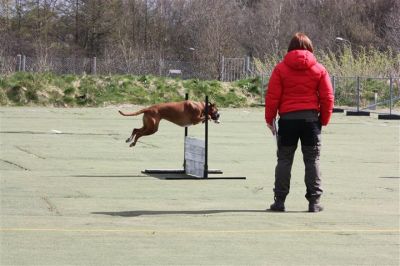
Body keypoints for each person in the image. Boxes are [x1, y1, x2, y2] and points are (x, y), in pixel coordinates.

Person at [265, 32, 334, 212]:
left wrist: (270, 119)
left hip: (287, 121)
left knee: (284, 160)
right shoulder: (319, 69)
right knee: (312, 160)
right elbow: (327, 97)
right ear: (310, 47)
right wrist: (324, 120)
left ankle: (279, 201)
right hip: (311, 121)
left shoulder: (280, 69)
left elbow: (272, 97)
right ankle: (314, 202)